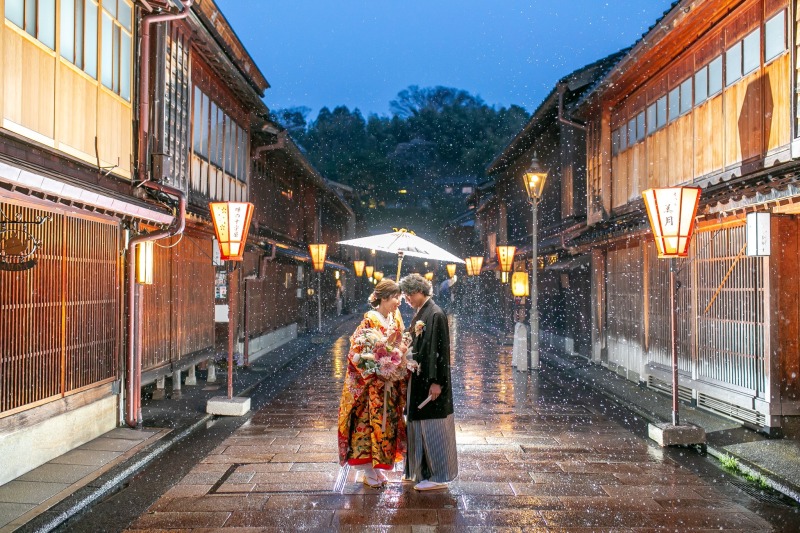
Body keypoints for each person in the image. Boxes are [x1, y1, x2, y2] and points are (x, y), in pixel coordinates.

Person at [337, 279, 411, 488]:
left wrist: (397, 359)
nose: (399, 301)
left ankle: (378, 467)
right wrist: (376, 366)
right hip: (371, 386)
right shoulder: (370, 320)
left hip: (390, 383)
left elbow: (400, 344)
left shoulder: (395, 319)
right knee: (369, 425)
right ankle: (368, 469)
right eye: (396, 297)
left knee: (386, 426)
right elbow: (356, 350)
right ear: (385, 297)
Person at [399, 273, 458, 491]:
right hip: (419, 378)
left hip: (430, 382)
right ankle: (419, 471)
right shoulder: (422, 314)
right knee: (418, 426)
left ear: (419, 291)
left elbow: (440, 352)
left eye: (407, 295)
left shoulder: (436, 314)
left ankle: (438, 475)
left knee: (433, 427)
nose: (407, 300)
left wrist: (437, 382)